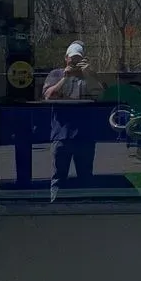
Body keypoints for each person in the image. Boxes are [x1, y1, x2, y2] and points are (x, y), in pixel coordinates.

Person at [43, 40, 97, 198]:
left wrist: (88, 74)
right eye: (72, 59)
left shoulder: (88, 75)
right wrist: (65, 78)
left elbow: (100, 95)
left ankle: (86, 209)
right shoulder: (56, 74)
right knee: (58, 177)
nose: (74, 62)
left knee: (85, 176)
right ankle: (55, 207)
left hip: (85, 135)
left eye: (78, 59)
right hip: (62, 134)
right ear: (66, 58)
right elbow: (48, 96)